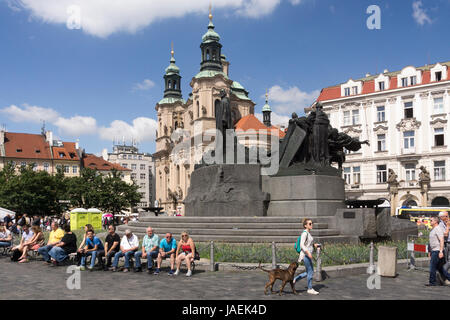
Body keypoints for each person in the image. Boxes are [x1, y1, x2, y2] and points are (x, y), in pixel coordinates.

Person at [293, 218, 320, 295]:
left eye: (312, 223)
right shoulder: (304, 233)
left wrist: (314, 245)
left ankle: (294, 280)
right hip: (305, 255)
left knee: (309, 272)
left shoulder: (308, 233)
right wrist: (308, 253)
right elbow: (302, 245)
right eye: (310, 224)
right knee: (310, 272)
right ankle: (310, 288)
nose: (311, 225)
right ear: (305, 225)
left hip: (308, 255)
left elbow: (308, 244)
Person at [428, 216, 450, 286]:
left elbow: (441, 240)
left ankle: (432, 282)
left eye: (431, 220)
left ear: (435, 221)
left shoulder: (438, 229)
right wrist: (430, 251)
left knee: (432, 267)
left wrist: (440, 251)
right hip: (434, 251)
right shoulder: (433, 229)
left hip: (437, 251)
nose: (430, 221)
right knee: (440, 269)